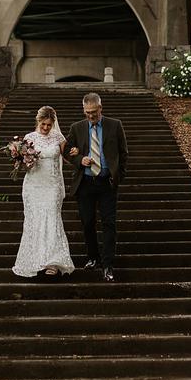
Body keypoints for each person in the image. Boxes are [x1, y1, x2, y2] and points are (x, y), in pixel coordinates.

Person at [65, 92, 128, 282]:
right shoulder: (77, 127)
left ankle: (107, 264)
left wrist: (118, 176)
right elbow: (67, 150)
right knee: (87, 222)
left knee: (109, 224)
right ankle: (93, 257)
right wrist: (79, 159)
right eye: (87, 112)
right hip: (85, 183)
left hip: (106, 182)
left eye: (93, 111)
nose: (90, 116)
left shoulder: (114, 125)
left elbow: (123, 152)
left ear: (101, 108)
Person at [11, 106, 75, 278]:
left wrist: (79, 156)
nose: (46, 128)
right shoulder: (28, 138)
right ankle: (37, 259)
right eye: (43, 124)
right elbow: (23, 164)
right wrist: (21, 159)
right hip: (33, 185)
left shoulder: (58, 137)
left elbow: (68, 156)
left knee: (52, 218)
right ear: (38, 121)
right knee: (35, 220)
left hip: (52, 185)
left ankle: (53, 262)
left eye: (49, 124)